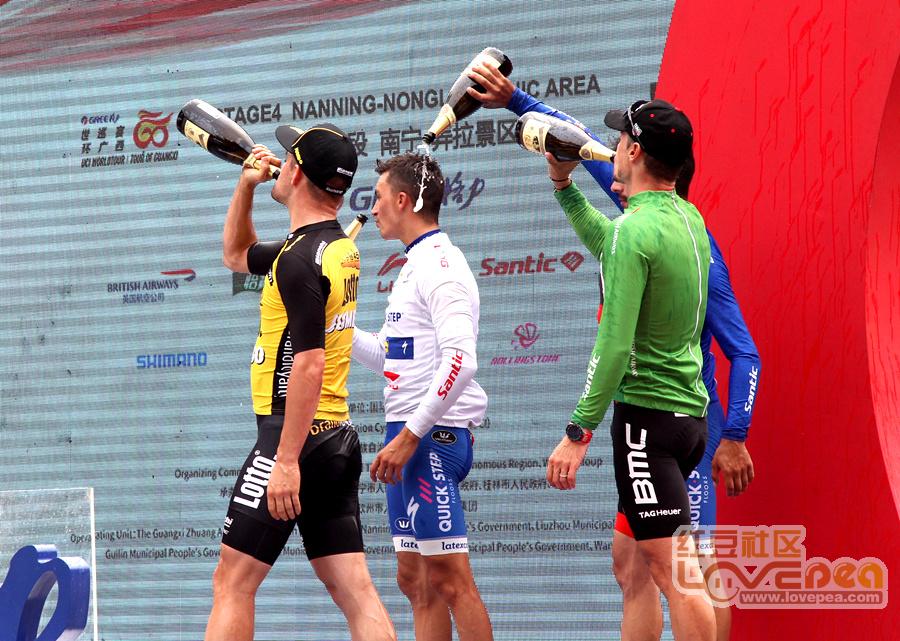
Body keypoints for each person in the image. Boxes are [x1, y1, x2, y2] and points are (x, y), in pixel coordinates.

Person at [468, 66, 760, 641]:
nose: (611, 152)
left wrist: (578, 433)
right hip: (681, 416)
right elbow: (592, 189)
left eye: (620, 141)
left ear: (633, 151)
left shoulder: (645, 230)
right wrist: (555, 171)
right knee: (631, 565)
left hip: (655, 419)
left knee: (683, 572)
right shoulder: (686, 220)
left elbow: (621, 343)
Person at [203, 122, 396, 641]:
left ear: (295, 174)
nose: (280, 163)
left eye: (288, 157)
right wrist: (245, 186)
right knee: (355, 591)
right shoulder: (330, 248)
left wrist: (285, 461)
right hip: (335, 439)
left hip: (293, 438)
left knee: (232, 583)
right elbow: (236, 255)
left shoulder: (297, 260)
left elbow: (309, 362)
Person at [352, 152, 494, 641]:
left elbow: (461, 361)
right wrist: (333, 322)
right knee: (416, 581)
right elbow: (391, 358)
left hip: (430, 437)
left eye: (377, 198)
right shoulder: (415, 263)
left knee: (450, 581)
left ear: (402, 200)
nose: (371, 209)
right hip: (409, 433)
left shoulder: (441, 265)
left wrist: (412, 435)